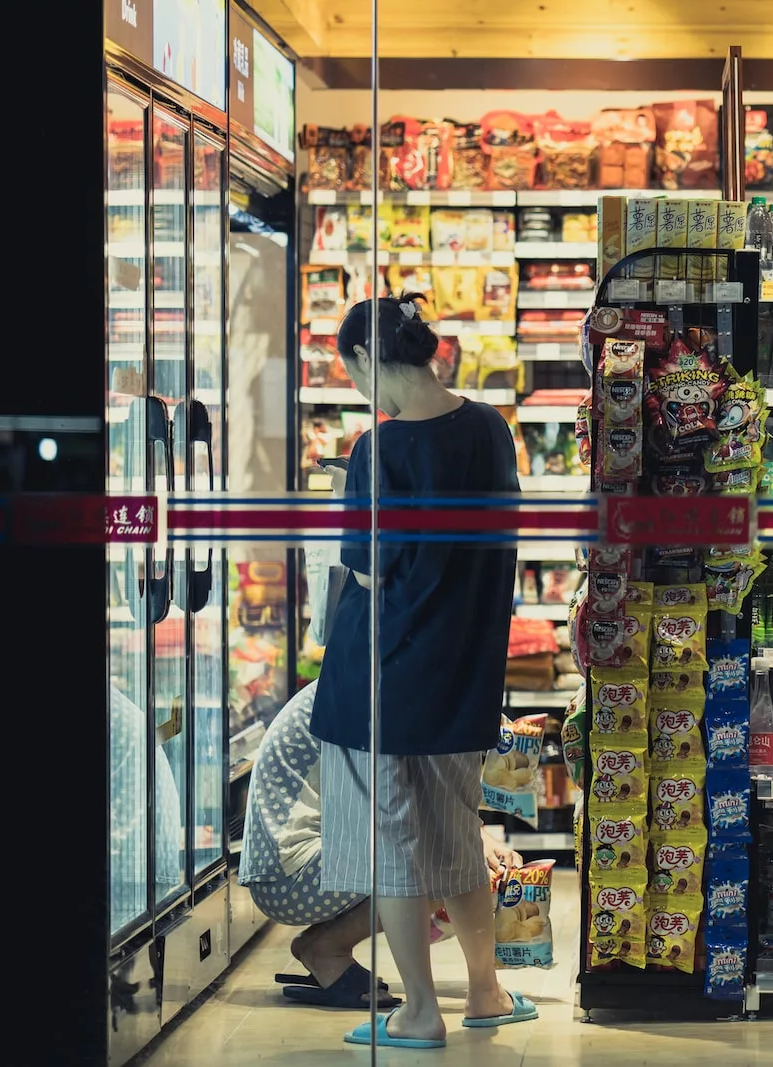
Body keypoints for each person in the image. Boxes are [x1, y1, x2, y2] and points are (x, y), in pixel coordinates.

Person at [307, 293, 531, 1048]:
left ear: (369, 359)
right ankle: (486, 990)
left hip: (380, 678)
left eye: (352, 372)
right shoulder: (491, 429)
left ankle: (418, 1009)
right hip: (461, 673)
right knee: (455, 832)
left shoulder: (381, 449)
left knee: (389, 846)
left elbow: (367, 572)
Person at [239, 683, 524, 1009]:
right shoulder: (383, 692)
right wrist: (474, 839)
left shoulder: (380, 675)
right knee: (442, 857)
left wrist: (477, 835)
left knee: (451, 853)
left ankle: (326, 947)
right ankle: (327, 949)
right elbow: (404, 803)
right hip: (288, 876)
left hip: (288, 865)